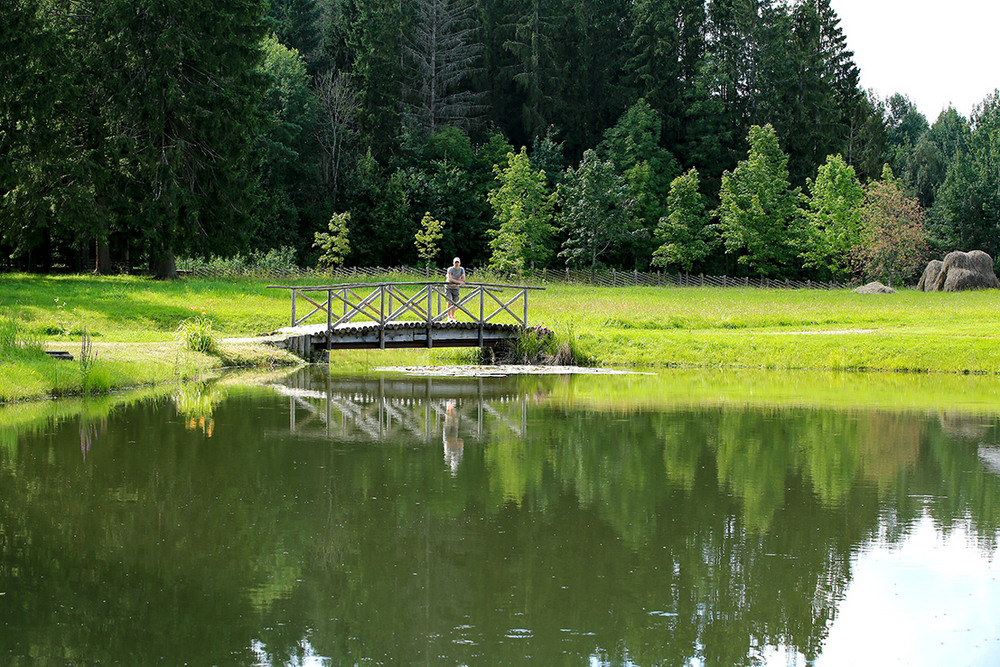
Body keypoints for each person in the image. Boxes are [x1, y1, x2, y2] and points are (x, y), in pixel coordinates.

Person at [445, 257, 465, 321]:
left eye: (458, 262)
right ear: (453, 263)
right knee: (449, 301)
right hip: (449, 287)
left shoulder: (461, 269)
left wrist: (454, 282)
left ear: (460, 263)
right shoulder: (450, 269)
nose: (456, 264)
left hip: (455, 288)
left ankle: (452, 316)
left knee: (455, 303)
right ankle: (448, 316)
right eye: (455, 262)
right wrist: (459, 281)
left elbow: (463, 279)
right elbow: (449, 279)